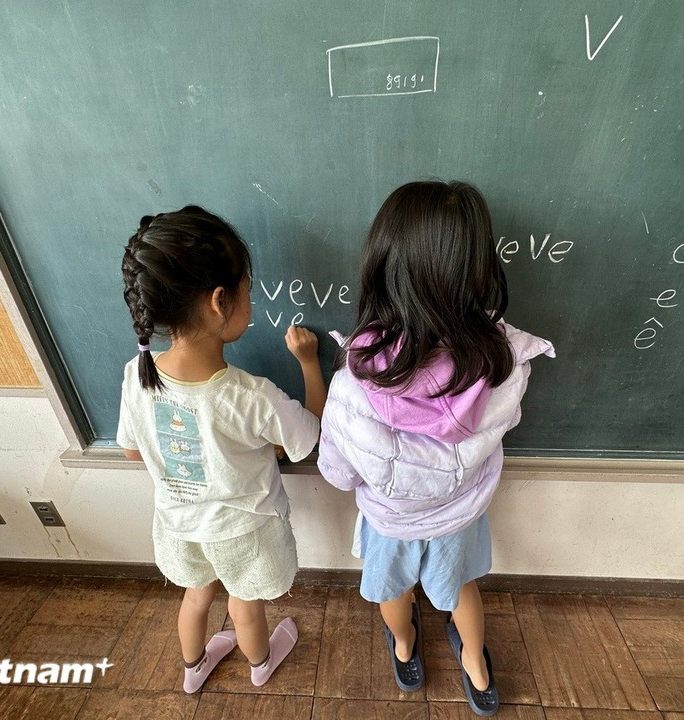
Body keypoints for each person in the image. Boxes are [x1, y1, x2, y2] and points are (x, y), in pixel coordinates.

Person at [317, 181, 554, 716]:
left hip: (390, 520)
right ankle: (475, 662)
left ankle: (404, 646)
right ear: (476, 270)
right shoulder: (503, 360)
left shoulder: (355, 380)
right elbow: (505, 423)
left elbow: (336, 470)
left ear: (382, 268)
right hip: (459, 516)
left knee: (392, 594)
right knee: (462, 588)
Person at [117, 206, 326, 693]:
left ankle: (192, 669)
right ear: (219, 301)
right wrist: (310, 362)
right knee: (244, 604)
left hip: (179, 525)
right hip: (243, 532)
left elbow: (133, 452)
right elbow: (307, 437)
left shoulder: (137, 373)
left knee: (196, 597)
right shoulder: (251, 395)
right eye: (247, 290)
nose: (249, 299)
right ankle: (259, 663)